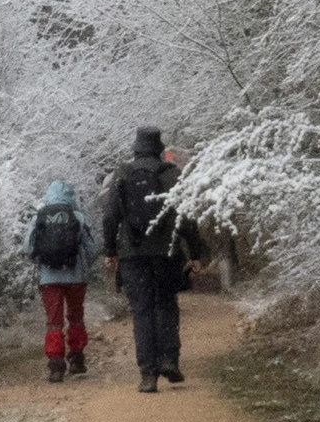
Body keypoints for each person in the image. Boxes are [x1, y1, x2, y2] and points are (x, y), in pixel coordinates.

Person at [100, 126, 206, 394]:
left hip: (132, 255)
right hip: (166, 253)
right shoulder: (171, 173)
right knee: (166, 305)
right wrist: (196, 253)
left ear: (135, 147)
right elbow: (185, 217)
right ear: (159, 147)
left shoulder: (122, 173)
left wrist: (110, 250)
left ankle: (148, 374)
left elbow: (110, 216)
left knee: (142, 311)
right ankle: (169, 360)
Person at [25, 178, 97, 382]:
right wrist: (83, 267)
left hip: (49, 279)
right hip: (76, 277)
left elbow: (27, 247)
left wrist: (42, 261)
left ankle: (56, 365)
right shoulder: (78, 217)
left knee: (54, 322)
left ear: (48, 196)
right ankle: (77, 358)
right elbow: (93, 249)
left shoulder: (39, 217)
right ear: (71, 197)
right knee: (75, 316)